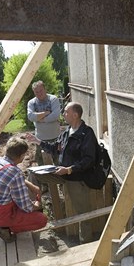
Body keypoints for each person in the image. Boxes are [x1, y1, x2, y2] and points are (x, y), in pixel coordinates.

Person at [26, 102, 98, 243]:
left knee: (83, 214)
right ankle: (33, 208)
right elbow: (55, 148)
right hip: (61, 173)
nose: (63, 114)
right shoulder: (67, 131)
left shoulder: (86, 133)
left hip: (76, 177)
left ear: (75, 115)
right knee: (33, 175)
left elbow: (89, 160)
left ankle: (86, 243)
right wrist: (37, 141)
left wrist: (70, 169)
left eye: (66, 112)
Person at [0, 137, 47, 243]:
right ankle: (4, 229)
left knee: (18, 200)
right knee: (41, 219)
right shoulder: (15, 173)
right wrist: (37, 204)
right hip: (0, 216)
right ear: (21, 156)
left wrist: (31, 186)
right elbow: (27, 207)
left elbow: (10, 178)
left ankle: (3, 226)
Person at [27, 81, 61, 165]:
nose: (39, 93)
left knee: (58, 161)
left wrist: (41, 119)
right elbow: (31, 116)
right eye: (36, 92)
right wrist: (46, 113)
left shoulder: (53, 99)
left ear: (45, 89)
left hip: (55, 137)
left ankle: (59, 178)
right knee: (42, 163)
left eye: (41, 90)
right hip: (40, 139)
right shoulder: (32, 103)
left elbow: (55, 115)